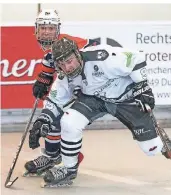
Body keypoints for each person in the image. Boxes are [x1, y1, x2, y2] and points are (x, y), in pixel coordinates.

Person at [34, 37, 170, 187]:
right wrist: (42, 120)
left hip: (126, 98)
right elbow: (54, 101)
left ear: (77, 54)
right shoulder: (64, 76)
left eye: (69, 61)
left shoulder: (102, 58)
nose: (67, 68)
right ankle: (69, 169)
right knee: (68, 121)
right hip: (94, 100)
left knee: (152, 149)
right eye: (61, 64)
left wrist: (143, 87)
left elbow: (136, 58)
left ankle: (161, 141)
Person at [24, 9, 99, 176]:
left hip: (89, 88)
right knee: (50, 111)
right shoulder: (51, 49)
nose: (47, 32)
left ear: (57, 30)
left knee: (62, 119)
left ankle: (67, 164)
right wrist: (43, 78)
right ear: (36, 29)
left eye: (51, 28)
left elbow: (94, 47)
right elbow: (50, 61)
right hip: (73, 85)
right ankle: (52, 155)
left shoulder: (69, 43)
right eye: (43, 28)